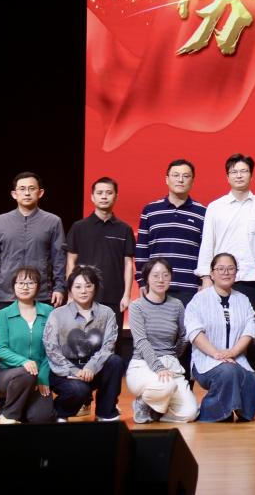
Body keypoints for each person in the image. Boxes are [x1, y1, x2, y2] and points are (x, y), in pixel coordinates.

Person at [184, 253, 255, 422]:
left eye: (230, 268)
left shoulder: (243, 300)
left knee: (253, 381)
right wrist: (216, 354)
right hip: (206, 360)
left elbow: (250, 329)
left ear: (236, 273)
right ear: (212, 274)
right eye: (220, 269)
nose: (226, 272)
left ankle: (240, 411)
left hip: (236, 358)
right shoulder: (199, 299)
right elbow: (194, 332)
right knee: (228, 372)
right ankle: (211, 412)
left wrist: (233, 352)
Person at [65, 177, 136, 361]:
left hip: (114, 297)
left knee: (112, 346)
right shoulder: (79, 227)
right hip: (84, 296)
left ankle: (110, 381)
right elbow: (71, 260)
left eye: (109, 193)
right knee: (82, 345)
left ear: (116, 196)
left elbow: (128, 263)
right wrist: (71, 293)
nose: (104, 196)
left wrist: (126, 295)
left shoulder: (124, 229)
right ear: (92, 197)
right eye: (100, 193)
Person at [43, 266, 124, 422]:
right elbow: (51, 349)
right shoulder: (57, 314)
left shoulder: (106, 313)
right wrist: (74, 371)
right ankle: (59, 412)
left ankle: (105, 412)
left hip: (94, 367)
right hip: (64, 370)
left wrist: (91, 367)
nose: (83, 291)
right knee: (79, 390)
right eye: (78, 287)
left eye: (88, 286)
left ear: (95, 288)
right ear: (70, 290)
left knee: (115, 361)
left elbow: (108, 345)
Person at [0, 172, 66, 310]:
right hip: (5, 295)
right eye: (22, 189)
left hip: (41, 294)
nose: (27, 193)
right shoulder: (0, 222)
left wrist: (59, 288)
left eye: (31, 188)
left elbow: (59, 259)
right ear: (14, 194)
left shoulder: (53, 222)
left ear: (40, 193)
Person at [197, 154, 255, 317]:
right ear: (227, 177)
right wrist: (205, 277)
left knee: (249, 324)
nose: (239, 175)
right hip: (220, 279)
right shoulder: (215, 207)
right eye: (234, 172)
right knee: (218, 325)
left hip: (251, 278)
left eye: (243, 171)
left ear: (251, 175)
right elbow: (208, 243)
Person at [126, 258, 197, 423]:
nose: (161, 280)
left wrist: (172, 355)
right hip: (143, 364)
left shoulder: (177, 305)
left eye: (165, 275)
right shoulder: (137, 306)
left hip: (170, 365)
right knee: (166, 385)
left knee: (190, 413)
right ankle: (142, 403)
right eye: (156, 275)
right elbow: (141, 341)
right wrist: (158, 367)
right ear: (146, 278)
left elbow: (184, 335)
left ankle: (156, 411)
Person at [135, 159, 206, 310]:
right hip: (156, 286)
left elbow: (205, 252)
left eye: (186, 176)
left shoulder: (203, 213)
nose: (180, 180)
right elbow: (142, 250)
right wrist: (142, 281)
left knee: (188, 326)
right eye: (176, 175)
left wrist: (202, 282)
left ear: (192, 181)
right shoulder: (150, 211)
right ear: (167, 179)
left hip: (190, 288)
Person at [0, 267, 56, 424]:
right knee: (26, 373)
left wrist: (43, 377)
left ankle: (20, 407)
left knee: (42, 418)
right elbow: (1, 349)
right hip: (8, 374)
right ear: (13, 286)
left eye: (30, 283)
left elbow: (52, 349)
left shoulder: (49, 311)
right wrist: (24, 361)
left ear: (38, 286)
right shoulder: (3, 314)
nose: (25, 287)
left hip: (39, 374)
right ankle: (9, 414)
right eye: (20, 283)